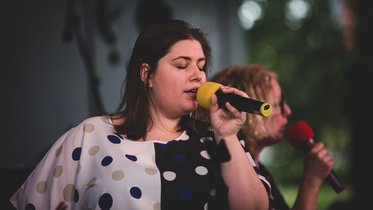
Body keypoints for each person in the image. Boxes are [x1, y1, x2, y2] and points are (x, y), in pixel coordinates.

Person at [9, 20, 269, 210]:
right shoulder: (90, 135)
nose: (198, 75)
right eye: (182, 65)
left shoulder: (218, 140)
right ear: (147, 75)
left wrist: (227, 135)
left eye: (201, 67)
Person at [208, 64, 335, 210]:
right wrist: (311, 182)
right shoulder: (225, 167)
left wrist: (312, 179)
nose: (287, 110)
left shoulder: (260, 169)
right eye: (279, 103)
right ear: (249, 107)